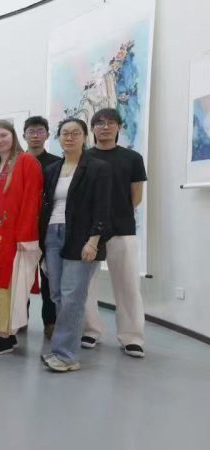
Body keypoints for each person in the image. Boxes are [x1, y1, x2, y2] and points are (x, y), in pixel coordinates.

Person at [39, 118, 112, 372]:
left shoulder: (98, 168)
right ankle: (63, 347)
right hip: (52, 234)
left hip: (81, 236)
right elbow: (47, 205)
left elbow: (103, 207)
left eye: (75, 133)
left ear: (84, 136)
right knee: (57, 294)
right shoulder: (52, 169)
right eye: (65, 133)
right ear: (58, 137)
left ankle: (67, 355)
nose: (69, 137)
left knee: (72, 296)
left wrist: (94, 241)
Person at [82, 108, 148, 358]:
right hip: (88, 232)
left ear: (119, 127)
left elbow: (136, 197)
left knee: (128, 285)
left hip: (122, 229)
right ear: (93, 128)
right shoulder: (84, 157)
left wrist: (114, 215)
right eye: (100, 123)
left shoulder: (132, 158)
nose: (105, 127)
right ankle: (90, 330)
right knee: (86, 285)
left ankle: (132, 337)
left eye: (111, 123)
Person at [0, 120, 43, 356]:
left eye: (3, 135)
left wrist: (26, 236)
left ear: (13, 136)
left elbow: (32, 200)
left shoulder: (26, 162)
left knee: (13, 287)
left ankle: (7, 335)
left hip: (16, 238)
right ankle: (2, 334)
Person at [21, 116, 61, 338]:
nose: (35, 135)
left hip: (48, 227)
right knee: (21, 276)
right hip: (22, 228)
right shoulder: (17, 161)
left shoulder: (57, 163)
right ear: (24, 135)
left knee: (49, 277)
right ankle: (20, 319)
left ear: (47, 134)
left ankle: (51, 322)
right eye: (31, 131)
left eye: (40, 131)